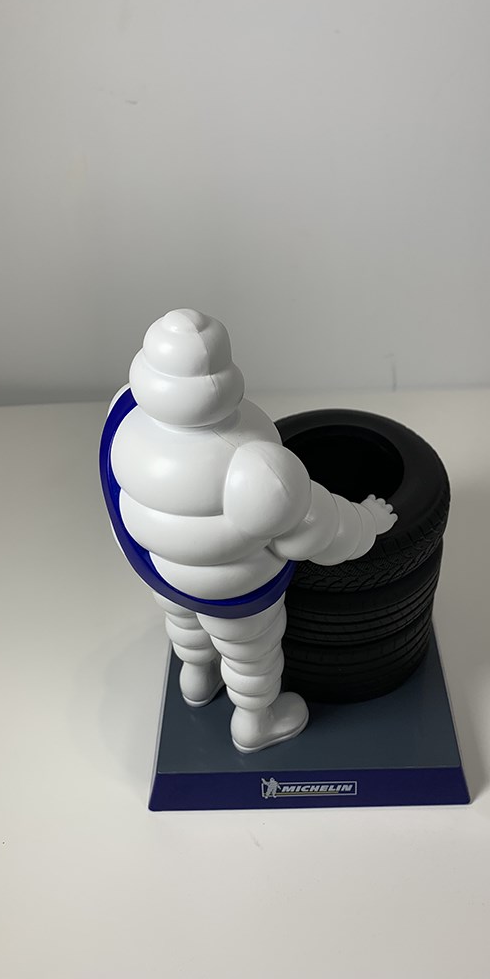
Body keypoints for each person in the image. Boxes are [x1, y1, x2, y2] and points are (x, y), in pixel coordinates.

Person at [102, 309, 396, 753]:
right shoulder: (251, 459)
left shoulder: (122, 413)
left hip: (161, 570)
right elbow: (314, 530)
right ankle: (255, 722)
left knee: (184, 623)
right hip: (235, 590)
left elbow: (112, 493)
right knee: (250, 655)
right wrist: (369, 522)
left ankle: (196, 680)